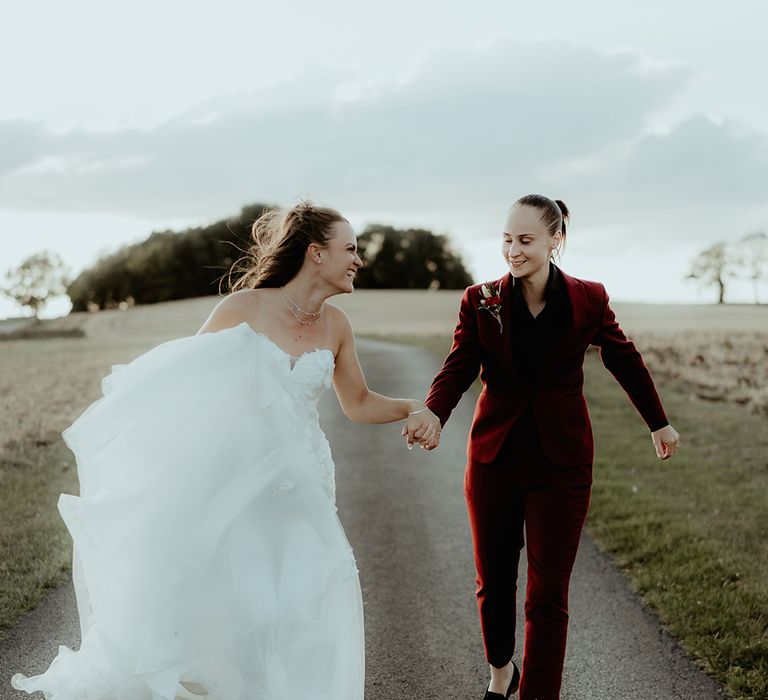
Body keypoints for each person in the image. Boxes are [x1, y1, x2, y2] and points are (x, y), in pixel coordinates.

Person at [11, 201, 437, 700]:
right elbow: (183, 387)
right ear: (316, 254)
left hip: (308, 486)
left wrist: (416, 406)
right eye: (351, 249)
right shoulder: (242, 311)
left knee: (314, 594)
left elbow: (359, 403)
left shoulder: (336, 324)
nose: (358, 260)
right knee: (248, 610)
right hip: (242, 485)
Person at [403, 194, 681, 700]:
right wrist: (433, 412)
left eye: (525, 240)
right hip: (495, 459)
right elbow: (459, 365)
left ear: (555, 241)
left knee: (548, 595)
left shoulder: (590, 299)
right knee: (493, 585)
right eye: (507, 239)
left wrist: (658, 423)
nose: (513, 250)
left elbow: (625, 359)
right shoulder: (480, 299)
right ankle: (501, 673)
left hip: (563, 464)